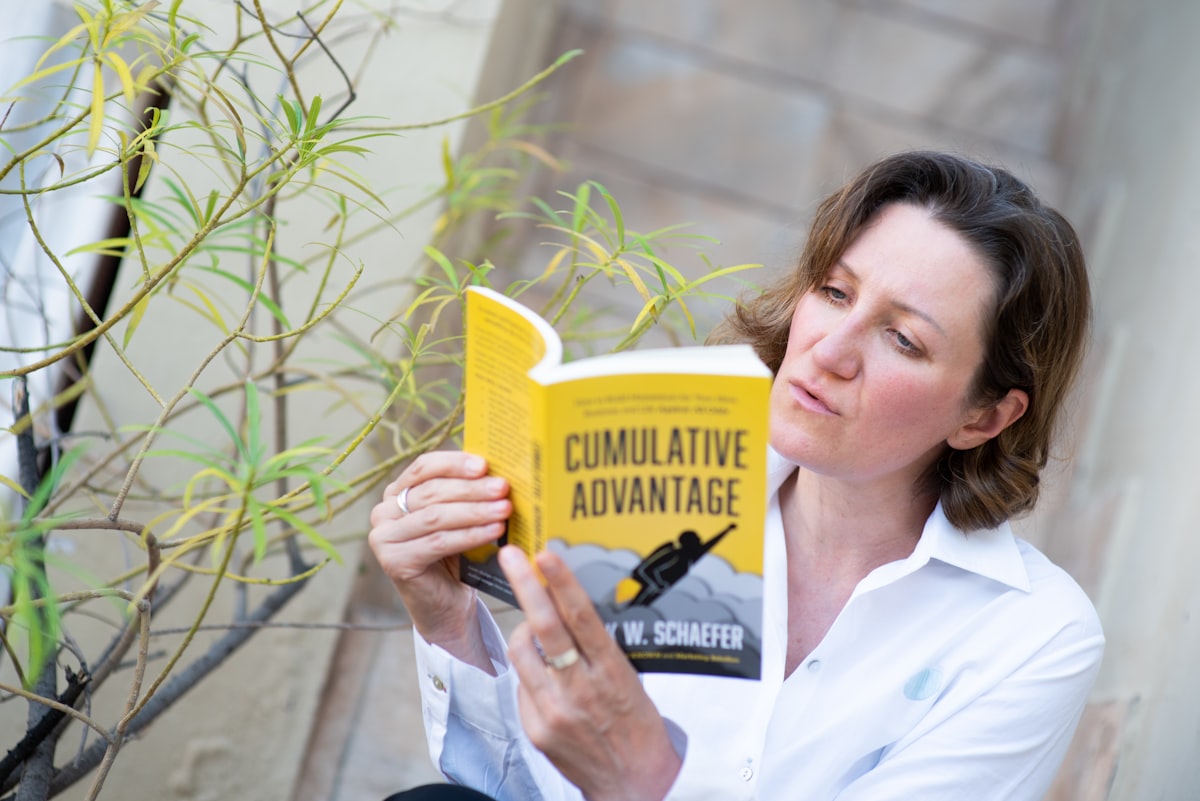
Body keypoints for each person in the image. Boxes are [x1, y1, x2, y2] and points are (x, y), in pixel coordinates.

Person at [367, 150, 1104, 801]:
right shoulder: (659, 489)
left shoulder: (1030, 636)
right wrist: (447, 620)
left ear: (984, 416)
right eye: (836, 292)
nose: (828, 351)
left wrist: (647, 779)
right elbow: (519, 789)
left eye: (903, 338)